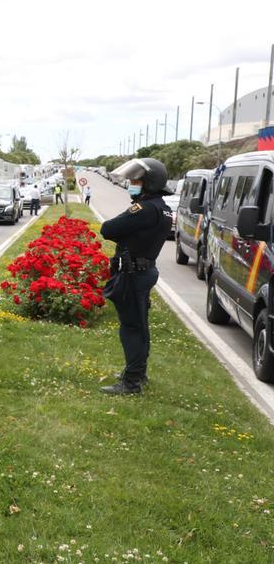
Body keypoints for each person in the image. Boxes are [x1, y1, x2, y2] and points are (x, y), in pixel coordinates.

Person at [99, 158, 173, 395]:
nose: (131, 184)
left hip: (133, 274)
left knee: (132, 328)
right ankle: (138, 374)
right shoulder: (161, 207)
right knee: (139, 326)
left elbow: (108, 229)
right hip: (142, 271)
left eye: (135, 180)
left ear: (149, 183)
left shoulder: (145, 209)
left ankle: (131, 383)